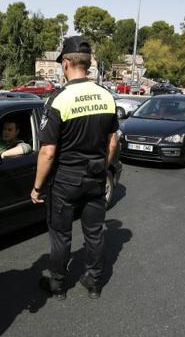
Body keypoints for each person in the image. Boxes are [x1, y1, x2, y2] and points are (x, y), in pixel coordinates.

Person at [31, 36, 119, 300]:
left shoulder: (59, 100)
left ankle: (57, 285)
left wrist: (37, 187)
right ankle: (93, 283)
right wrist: (104, 168)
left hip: (66, 180)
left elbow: (47, 152)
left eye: (62, 64)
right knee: (94, 233)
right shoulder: (106, 96)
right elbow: (112, 141)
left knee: (61, 235)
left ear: (67, 62)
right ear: (88, 64)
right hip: (95, 176)